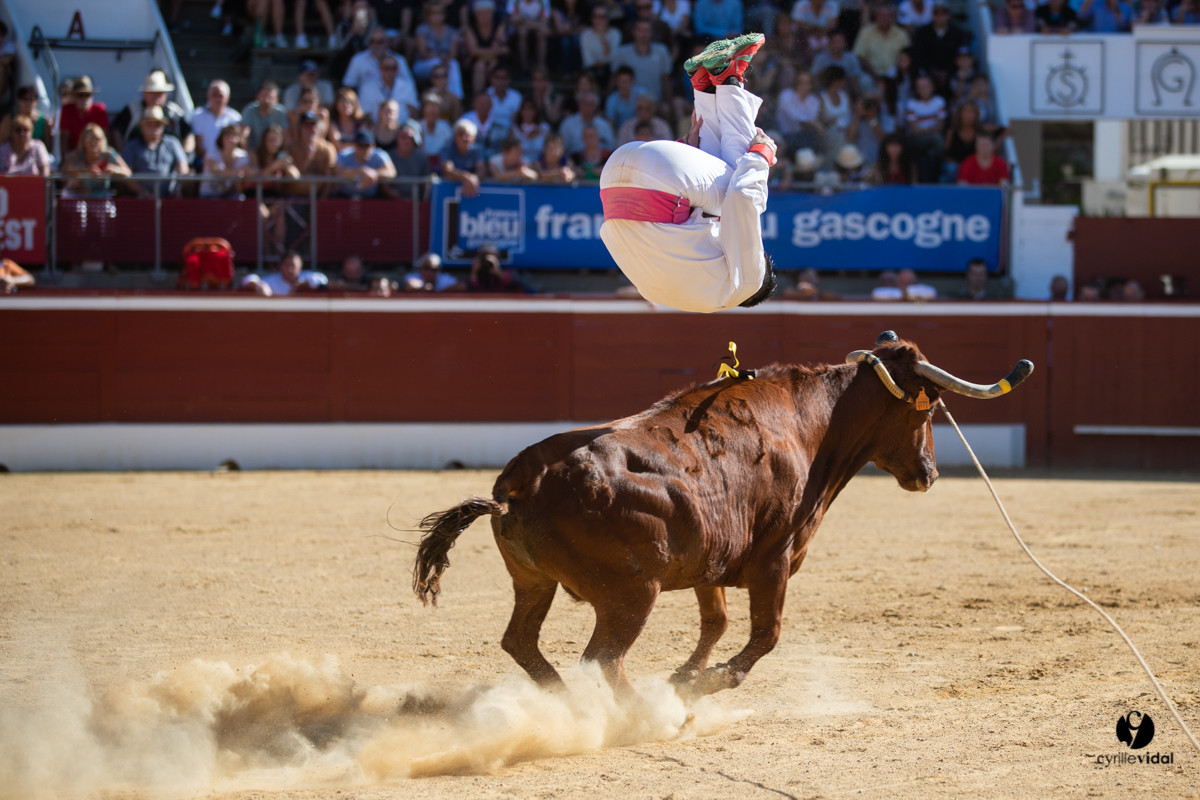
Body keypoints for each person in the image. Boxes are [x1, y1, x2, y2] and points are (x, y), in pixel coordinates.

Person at [599, 33, 778, 314]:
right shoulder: (668, 287)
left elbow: (743, 196)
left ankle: (729, 76)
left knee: (737, 189)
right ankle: (704, 85)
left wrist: (762, 154)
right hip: (614, 178)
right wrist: (686, 151)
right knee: (719, 203)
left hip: (663, 184)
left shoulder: (747, 283)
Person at [108, 71, 194, 156]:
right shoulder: (132, 109)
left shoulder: (174, 112)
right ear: (144, 94)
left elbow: (188, 134)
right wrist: (124, 154)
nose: (156, 98)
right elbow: (116, 130)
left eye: (160, 93)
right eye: (152, 93)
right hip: (137, 159)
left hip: (169, 161)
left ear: (165, 94)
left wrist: (184, 157)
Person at [122, 105, 190, 197]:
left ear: (163, 127)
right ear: (142, 126)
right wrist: (143, 192)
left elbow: (183, 168)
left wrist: (178, 187)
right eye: (149, 124)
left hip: (169, 198)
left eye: (157, 124)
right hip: (139, 199)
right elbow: (126, 173)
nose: (154, 128)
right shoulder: (132, 146)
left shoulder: (173, 143)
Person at [612, 19, 674, 105]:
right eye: (639, 30)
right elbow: (614, 79)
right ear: (633, 32)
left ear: (652, 33)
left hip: (656, 102)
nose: (643, 34)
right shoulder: (622, 53)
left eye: (647, 30)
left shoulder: (662, 51)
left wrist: (669, 102)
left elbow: (666, 79)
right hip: (630, 105)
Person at [61, 124, 131, 198]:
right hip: (78, 196)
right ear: (83, 141)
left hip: (101, 196)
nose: (93, 142)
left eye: (97, 139)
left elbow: (128, 171)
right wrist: (85, 172)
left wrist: (115, 169)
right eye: (89, 139)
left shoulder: (108, 154)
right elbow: (64, 171)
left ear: (102, 140)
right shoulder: (75, 155)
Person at [413, 2, 466, 99]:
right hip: (423, 65)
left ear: (444, 15)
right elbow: (423, 53)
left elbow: (453, 54)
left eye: (439, 13)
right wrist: (440, 59)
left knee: (453, 64)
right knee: (437, 63)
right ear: (428, 15)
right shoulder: (421, 29)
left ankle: (456, 98)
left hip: (445, 63)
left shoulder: (451, 31)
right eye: (433, 13)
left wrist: (445, 60)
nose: (437, 16)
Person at [191, 80, 242, 169]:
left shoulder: (235, 118)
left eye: (220, 96)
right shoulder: (198, 115)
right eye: (214, 95)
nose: (217, 99)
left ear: (227, 97)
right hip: (205, 162)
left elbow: (238, 143)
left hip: (230, 163)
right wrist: (210, 161)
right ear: (208, 96)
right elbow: (198, 144)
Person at [853, 3, 910, 82]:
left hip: (896, 74)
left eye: (887, 16)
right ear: (876, 17)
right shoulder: (866, 32)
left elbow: (907, 56)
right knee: (864, 81)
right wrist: (874, 75)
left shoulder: (901, 34)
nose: (884, 19)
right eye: (881, 15)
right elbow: (859, 56)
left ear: (892, 17)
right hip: (871, 74)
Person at [464, 0, 510, 98]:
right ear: (476, 15)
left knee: (493, 65)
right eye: (481, 13)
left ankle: (494, 98)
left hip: (496, 60)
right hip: (476, 62)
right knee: (480, 66)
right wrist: (493, 51)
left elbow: (505, 49)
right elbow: (473, 51)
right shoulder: (471, 29)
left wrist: (483, 52)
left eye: (487, 13)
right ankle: (477, 98)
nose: (484, 16)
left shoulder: (498, 26)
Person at [335, 129, 397, 197]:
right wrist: (360, 171)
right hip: (345, 197)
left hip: (370, 198)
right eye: (361, 146)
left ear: (373, 146)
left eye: (367, 146)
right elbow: (338, 172)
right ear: (354, 145)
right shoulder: (344, 155)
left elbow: (392, 171)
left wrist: (374, 173)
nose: (364, 150)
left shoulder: (379, 155)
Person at [60, 76, 110, 153]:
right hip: (75, 156)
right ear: (74, 97)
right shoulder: (67, 110)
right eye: (80, 95)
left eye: (87, 95)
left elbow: (104, 138)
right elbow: (64, 139)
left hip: (96, 154)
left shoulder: (99, 110)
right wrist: (65, 161)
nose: (84, 99)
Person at [200, 124, 252, 198]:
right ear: (221, 139)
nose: (231, 140)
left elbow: (240, 187)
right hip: (210, 194)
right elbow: (216, 171)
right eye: (227, 137)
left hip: (230, 195)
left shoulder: (243, 156)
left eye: (234, 136)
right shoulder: (212, 153)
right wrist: (238, 172)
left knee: (240, 198)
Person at [242, 250, 329, 295]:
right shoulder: (273, 281)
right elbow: (248, 279)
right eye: (287, 265)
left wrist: (302, 284)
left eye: (293, 266)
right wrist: (259, 285)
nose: (290, 269)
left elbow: (323, 279)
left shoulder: (305, 276)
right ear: (281, 266)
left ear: (300, 267)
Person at [559, 90, 615, 158]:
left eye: (591, 104)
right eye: (585, 103)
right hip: (574, 163)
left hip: (601, 164)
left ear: (596, 106)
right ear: (579, 104)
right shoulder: (567, 125)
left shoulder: (604, 126)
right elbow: (562, 149)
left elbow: (612, 148)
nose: (588, 107)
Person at [440, 118, 487, 197]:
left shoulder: (477, 150)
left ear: (473, 138)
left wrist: (474, 178)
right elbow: (448, 170)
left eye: (467, 135)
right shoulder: (446, 149)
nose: (464, 138)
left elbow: (481, 170)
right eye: (460, 134)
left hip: (471, 195)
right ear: (455, 136)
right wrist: (467, 178)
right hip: (447, 194)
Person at [240, 81, 290, 152]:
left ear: (276, 99)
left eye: (271, 97)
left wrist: (282, 155)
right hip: (255, 151)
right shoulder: (249, 110)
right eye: (264, 96)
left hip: (275, 152)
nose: (267, 101)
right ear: (258, 96)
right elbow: (244, 134)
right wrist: (248, 154)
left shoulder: (281, 113)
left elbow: (286, 137)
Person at [505, 0, 552, 75]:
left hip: (535, 28)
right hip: (519, 29)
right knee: (522, 32)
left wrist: (524, 21)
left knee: (542, 34)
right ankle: (524, 68)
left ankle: (541, 67)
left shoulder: (543, 1)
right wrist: (536, 24)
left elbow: (545, 21)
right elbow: (513, 19)